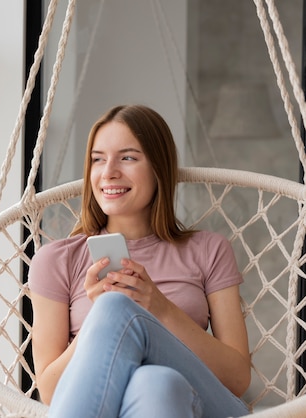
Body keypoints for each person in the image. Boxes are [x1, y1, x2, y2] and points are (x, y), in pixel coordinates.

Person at [28, 104, 251, 418]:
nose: (109, 172)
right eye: (97, 159)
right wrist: (99, 319)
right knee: (154, 383)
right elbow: (50, 391)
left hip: (208, 407)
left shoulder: (208, 250)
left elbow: (238, 378)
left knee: (115, 308)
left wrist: (158, 306)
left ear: (159, 168)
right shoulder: (57, 260)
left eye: (128, 158)